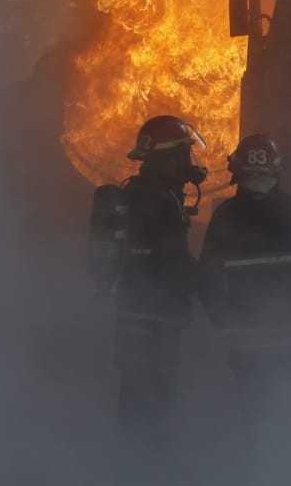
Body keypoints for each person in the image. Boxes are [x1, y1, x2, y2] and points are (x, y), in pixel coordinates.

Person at [197, 133, 291, 434]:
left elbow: (207, 280)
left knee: (256, 419)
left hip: (248, 344)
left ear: (236, 171)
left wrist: (224, 321)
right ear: (277, 169)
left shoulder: (225, 216)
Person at [103, 114, 207, 448]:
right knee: (153, 403)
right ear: (170, 157)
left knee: (133, 397)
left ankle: (129, 466)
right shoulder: (161, 200)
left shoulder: (137, 192)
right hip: (157, 323)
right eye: (183, 155)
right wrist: (212, 283)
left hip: (133, 316)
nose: (188, 163)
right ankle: (144, 469)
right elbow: (173, 259)